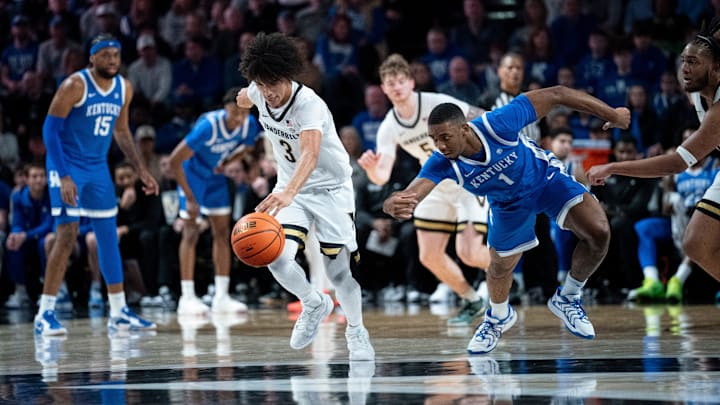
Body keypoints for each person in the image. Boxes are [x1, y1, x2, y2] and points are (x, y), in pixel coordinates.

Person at [383, 85, 630, 354]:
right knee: (499, 268)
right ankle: (497, 317)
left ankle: (568, 297)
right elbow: (412, 192)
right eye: (434, 139)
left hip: (544, 179)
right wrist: (393, 204)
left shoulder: (497, 123)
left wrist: (612, 114)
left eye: (445, 137)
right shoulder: (442, 161)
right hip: (507, 205)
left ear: (464, 129)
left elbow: (557, 94)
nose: (440, 145)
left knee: (599, 232)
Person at [235, 32, 374, 361]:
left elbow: (310, 155)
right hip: (290, 190)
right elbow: (242, 97)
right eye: (262, 84)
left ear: (288, 76)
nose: (269, 92)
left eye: (274, 84)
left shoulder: (308, 104)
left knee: (339, 272)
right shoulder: (257, 91)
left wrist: (287, 192)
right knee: (276, 258)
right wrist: (238, 104)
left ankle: (357, 330)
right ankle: (314, 302)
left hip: (330, 190)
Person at [34, 34, 158, 336]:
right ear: (92, 58)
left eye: (116, 54)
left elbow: (122, 131)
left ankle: (119, 312)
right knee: (67, 234)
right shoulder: (75, 85)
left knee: (107, 236)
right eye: (105, 55)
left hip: (98, 167)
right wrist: (63, 176)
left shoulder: (123, 88)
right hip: (67, 166)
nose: (112, 60)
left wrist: (141, 169)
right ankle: (44, 313)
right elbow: (50, 132)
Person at [358, 53, 491, 327]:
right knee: (429, 255)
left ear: (411, 82)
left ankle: (506, 271)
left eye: (400, 81)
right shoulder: (389, 126)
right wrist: (373, 171)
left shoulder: (436, 104)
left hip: (465, 177)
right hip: (434, 184)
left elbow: (479, 115)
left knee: (469, 253)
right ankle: (472, 301)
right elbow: (382, 175)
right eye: (389, 82)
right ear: (383, 88)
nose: (395, 87)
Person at [588, 28, 720, 280]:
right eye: (683, 60)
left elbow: (676, 163)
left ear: (715, 68)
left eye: (693, 62)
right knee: (695, 243)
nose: (685, 69)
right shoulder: (696, 92)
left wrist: (613, 167)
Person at [169, 87, 261, 316]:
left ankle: (221, 296)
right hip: (193, 174)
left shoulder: (249, 124)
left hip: (215, 174)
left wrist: (229, 160)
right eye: (234, 114)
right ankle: (187, 298)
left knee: (222, 232)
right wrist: (190, 198)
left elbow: (249, 147)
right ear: (225, 109)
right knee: (191, 232)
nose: (238, 119)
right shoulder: (208, 126)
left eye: (243, 114)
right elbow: (174, 161)